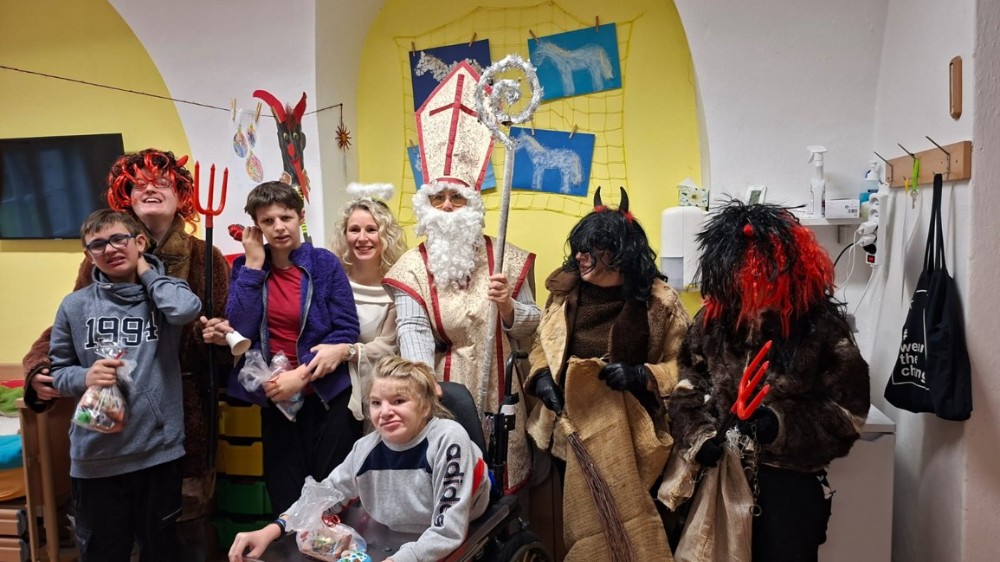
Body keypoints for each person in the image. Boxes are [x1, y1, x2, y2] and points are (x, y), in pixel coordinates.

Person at [22, 148, 230, 559]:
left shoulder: (205, 257)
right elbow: (79, 320)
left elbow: (215, 321)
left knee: (180, 530)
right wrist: (39, 367)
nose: (151, 188)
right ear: (126, 197)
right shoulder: (101, 257)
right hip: (110, 422)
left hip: (179, 412)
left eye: (163, 182)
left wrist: (216, 335)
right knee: (112, 539)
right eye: (139, 184)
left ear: (180, 194)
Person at [666, 201, 870, 562]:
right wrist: (700, 438)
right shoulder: (712, 322)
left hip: (788, 487)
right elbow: (687, 387)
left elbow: (848, 414)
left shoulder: (820, 328)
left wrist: (777, 426)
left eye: (762, 272)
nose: (753, 284)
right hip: (719, 478)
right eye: (741, 274)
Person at [383, 62, 540, 494]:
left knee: (503, 493)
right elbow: (412, 333)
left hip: (503, 392)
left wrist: (508, 306)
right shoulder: (411, 267)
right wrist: (426, 389)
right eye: (438, 197)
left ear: (473, 204)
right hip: (442, 393)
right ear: (426, 205)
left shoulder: (506, 257)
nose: (448, 205)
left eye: (457, 197)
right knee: (451, 488)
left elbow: (535, 325)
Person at [522, 188, 690, 561]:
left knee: (635, 525)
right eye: (579, 249)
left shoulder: (660, 302)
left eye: (591, 250)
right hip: (571, 432)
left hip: (634, 436)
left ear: (620, 253)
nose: (580, 257)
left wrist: (643, 375)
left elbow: (689, 367)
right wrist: (542, 376)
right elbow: (541, 344)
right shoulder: (564, 294)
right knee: (585, 526)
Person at [227, 356, 491, 562]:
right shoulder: (365, 448)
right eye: (376, 403)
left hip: (457, 524)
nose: (385, 412)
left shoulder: (448, 439)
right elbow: (324, 495)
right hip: (394, 533)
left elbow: (448, 530)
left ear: (425, 407)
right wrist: (271, 530)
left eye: (399, 400)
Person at [49, 209, 202, 561]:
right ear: (89, 255)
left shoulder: (165, 295)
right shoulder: (75, 306)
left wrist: (147, 272)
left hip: (157, 453)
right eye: (98, 245)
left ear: (140, 242)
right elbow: (59, 373)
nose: (110, 249)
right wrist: (85, 376)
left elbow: (184, 310)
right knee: (103, 552)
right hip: (96, 458)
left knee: (161, 551)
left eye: (119, 239)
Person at [210, 181, 361, 516]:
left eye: (286, 217)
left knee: (333, 496)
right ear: (256, 226)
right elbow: (242, 328)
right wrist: (253, 264)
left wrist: (301, 376)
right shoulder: (247, 267)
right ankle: (294, 544)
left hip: (326, 396)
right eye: (268, 221)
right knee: (286, 497)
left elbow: (347, 329)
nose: (278, 227)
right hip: (276, 399)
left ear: (300, 217)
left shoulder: (323, 264)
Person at [325, 182, 407, 423]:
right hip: (332, 393)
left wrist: (345, 352)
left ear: (386, 235)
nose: (362, 238)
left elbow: (387, 347)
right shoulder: (332, 280)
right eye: (354, 230)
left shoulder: (398, 286)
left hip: (380, 395)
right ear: (344, 235)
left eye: (372, 229)